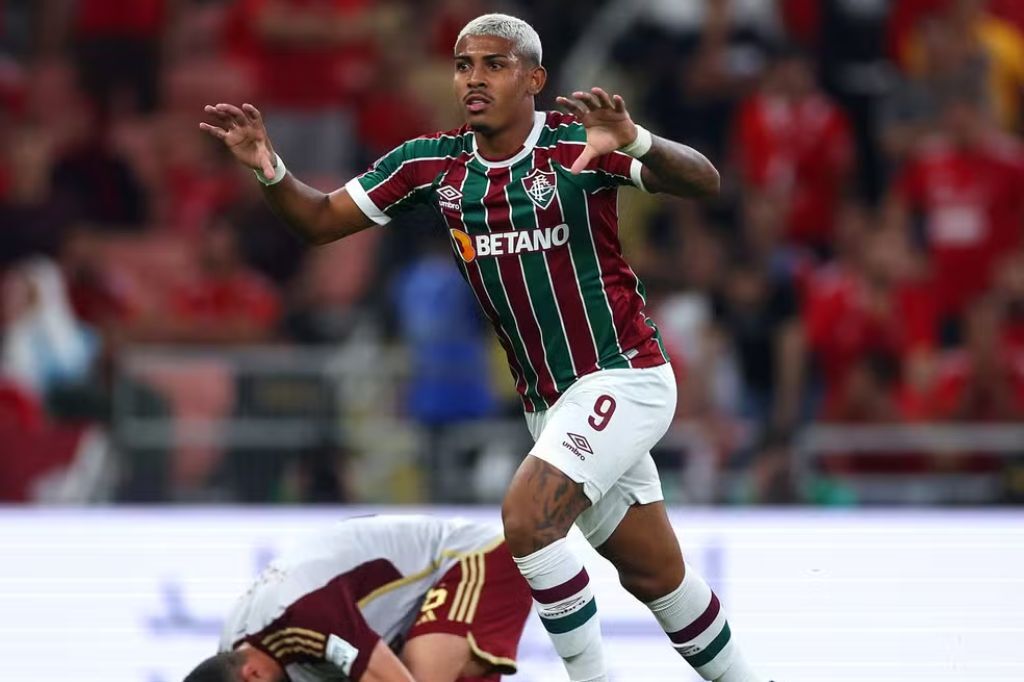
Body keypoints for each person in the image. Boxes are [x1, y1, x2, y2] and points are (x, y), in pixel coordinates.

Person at [200, 13, 765, 682]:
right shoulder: (430, 165)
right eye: (464, 65)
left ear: (534, 79)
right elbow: (320, 221)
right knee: (659, 579)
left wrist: (638, 141)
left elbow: (705, 180)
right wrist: (270, 170)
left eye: (494, 64)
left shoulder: (578, 147)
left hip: (623, 376)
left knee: (527, 519)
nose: (474, 78)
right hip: (551, 407)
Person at [183, 514, 532, 682]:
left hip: (473, 560)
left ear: (253, 675)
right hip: (408, 612)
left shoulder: (304, 617)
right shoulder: (234, 648)